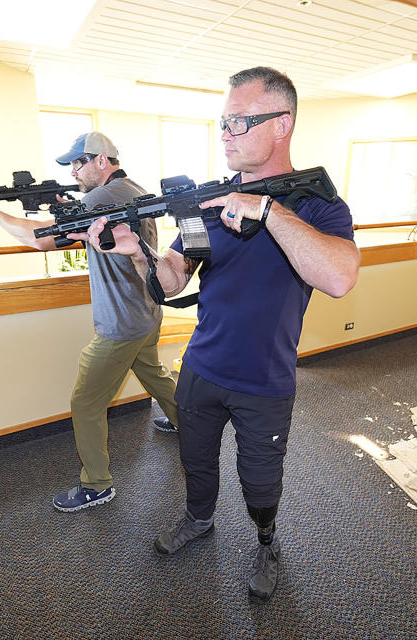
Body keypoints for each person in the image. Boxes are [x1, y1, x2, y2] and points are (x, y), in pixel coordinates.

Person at [69, 68, 360, 600]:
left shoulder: (317, 207)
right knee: (196, 462)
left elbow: (339, 276)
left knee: (259, 482)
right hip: (201, 368)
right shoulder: (208, 202)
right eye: (223, 122)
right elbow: (175, 277)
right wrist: (139, 254)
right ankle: (199, 520)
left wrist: (267, 210)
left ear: (282, 125)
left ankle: (266, 542)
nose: (225, 133)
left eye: (240, 121)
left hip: (264, 379)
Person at [0, 131, 180, 513]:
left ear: (102, 161)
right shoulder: (128, 188)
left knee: (85, 402)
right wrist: (67, 206)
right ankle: (184, 422)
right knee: (154, 372)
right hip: (146, 310)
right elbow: (94, 228)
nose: (74, 171)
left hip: (121, 322)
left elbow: (42, 239)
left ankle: (97, 485)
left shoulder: (103, 196)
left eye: (79, 163)